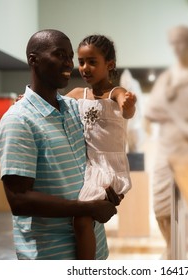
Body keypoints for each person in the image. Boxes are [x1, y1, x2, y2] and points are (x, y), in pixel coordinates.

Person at [0, 29, 120, 260]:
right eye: (60, 55)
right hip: (51, 257)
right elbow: (19, 199)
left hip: (96, 251)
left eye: (70, 56)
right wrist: (88, 209)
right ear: (34, 60)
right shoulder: (19, 120)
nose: (69, 63)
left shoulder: (74, 109)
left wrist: (106, 192)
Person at [144, 25, 188, 259]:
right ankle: (171, 248)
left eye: (181, 42)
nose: (177, 47)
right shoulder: (167, 77)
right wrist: (174, 115)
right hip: (167, 146)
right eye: (173, 42)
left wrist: (181, 116)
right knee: (161, 206)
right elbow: (152, 110)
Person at [66, 34, 136, 259]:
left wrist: (129, 105)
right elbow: (52, 104)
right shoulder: (78, 94)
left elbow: (126, 109)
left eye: (92, 62)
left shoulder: (115, 93)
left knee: (82, 220)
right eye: (81, 62)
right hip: (89, 165)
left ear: (110, 64)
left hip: (108, 167)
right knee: (83, 220)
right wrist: (26, 101)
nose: (85, 68)